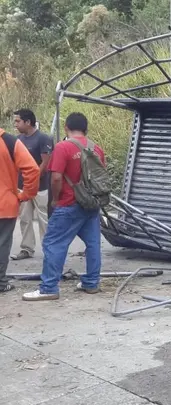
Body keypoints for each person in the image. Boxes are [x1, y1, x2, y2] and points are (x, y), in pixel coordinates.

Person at [22, 113, 106, 301]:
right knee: (93, 244)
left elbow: (57, 177)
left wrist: (56, 200)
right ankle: (92, 283)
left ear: (67, 127)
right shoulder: (96, 149)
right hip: (91, 204)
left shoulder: (63, 147)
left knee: (53, 243)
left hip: (69, 204)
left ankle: (49, 288)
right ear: (86, 128)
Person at [0, 128, 40, 293]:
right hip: (4, 204)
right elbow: (32, 169)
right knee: (2, 243)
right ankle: (1, 283)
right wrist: (26, 194)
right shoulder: (9, 141)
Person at [11, 109, 53, 261]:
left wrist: (33, 180)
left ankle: (49, 249)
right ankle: (27, 249)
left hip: (41, 187)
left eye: (17, 121)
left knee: (43, 219)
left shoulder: (43, 138)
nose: (15, 124)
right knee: (25, 218)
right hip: (23, 187)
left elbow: (46, 163)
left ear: (27, 122)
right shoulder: (18, 140)